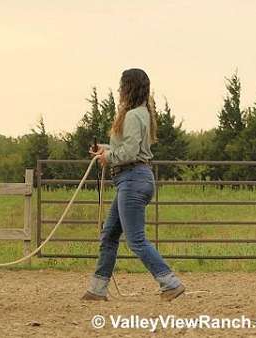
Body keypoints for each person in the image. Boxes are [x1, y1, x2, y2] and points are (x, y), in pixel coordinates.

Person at [81, 68, 185, 302]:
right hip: (135, 179)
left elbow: (129, 152)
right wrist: (106, 150)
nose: (119, 90)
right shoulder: (142, 114)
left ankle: (170, 282)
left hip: (132, 179)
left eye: (122, 86)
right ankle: (97, 290)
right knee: (109, 235)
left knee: (136, 239)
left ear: (129, 87)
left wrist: (108, 157)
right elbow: (131, 148)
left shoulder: (131, 116)